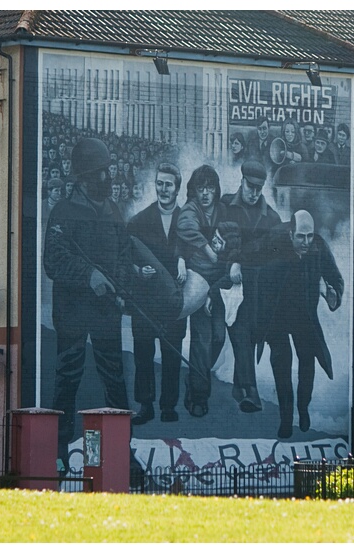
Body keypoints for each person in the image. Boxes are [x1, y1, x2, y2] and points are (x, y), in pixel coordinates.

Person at [43, 137, 132, 474]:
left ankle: (124, 448)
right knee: (68, 377)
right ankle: (59, 450)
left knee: (115, 378)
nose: (108, 178)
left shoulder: (112, 210)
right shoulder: (63, 213)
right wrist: (89, 275)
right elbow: (54, 260)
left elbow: (122, 254)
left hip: (106, 310)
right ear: (83, 177)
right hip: (73, 312)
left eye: (108, 172)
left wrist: (121, 286)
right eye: (101, 173)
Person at [254, 210, 344, 439]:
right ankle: (286, 419)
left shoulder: (318, 246)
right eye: (300, 237)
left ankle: (303, 408)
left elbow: (336, 277)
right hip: (277, 315)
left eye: (309, 236)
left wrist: (333, 293)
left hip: (304, 314)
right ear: (290, 232)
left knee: (308, 361)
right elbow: (256, 273)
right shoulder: (274, 242)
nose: (306, 242)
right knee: (282, 365)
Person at [220, 160, 282, 413]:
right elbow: (216, 242)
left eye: (259, 188)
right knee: (241, 334)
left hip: (258, 289)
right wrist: (230, 266)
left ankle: (238, 385)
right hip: (230, 284)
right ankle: (251, 391)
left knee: (248, 335)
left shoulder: (272, 218)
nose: (254, 192)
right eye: (250, 186)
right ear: (241, 180)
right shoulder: (224, 206)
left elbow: (279, 256)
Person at [128, 163, 187, 425]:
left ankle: (168, 406)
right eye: (159, 183)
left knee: (172, 354)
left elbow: (200, 259)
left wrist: (185, 260)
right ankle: (145, 405)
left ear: (178, 188)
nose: (163, 189)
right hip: (144, 300)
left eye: (168, 184)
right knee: (143, 354)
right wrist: (139, 271)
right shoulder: (138, 221)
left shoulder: (188, 222)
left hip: (175, 302)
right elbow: (123, 260)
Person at [176, 165, 228, 418]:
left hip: (219, 284)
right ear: (194, 190)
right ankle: (198, 396)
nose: (206, 193)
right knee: (202, 341)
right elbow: (185, 226)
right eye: (201, 188)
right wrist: (207, 248)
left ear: (217, 189)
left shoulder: (223, 211)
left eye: (210, 187)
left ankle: (197, 375)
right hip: (197, 281)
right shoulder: (191, 209)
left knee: (218, 338)